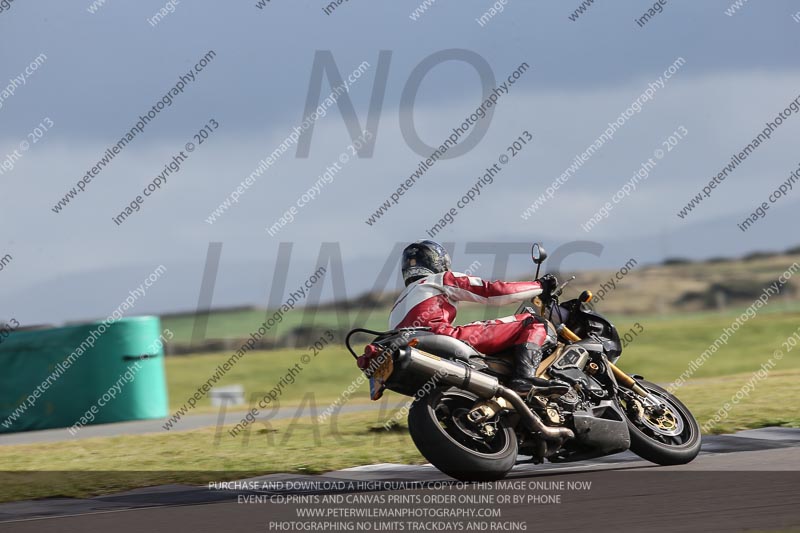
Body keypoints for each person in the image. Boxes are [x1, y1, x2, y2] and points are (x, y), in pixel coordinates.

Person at [389, 240, 568, 396]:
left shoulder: (397, 303)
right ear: (437, 261)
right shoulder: (440, 279)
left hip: (412, 350)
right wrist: (540, 286)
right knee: (533, 321)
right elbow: (495, 292)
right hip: (441, 337)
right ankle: (525, 379)